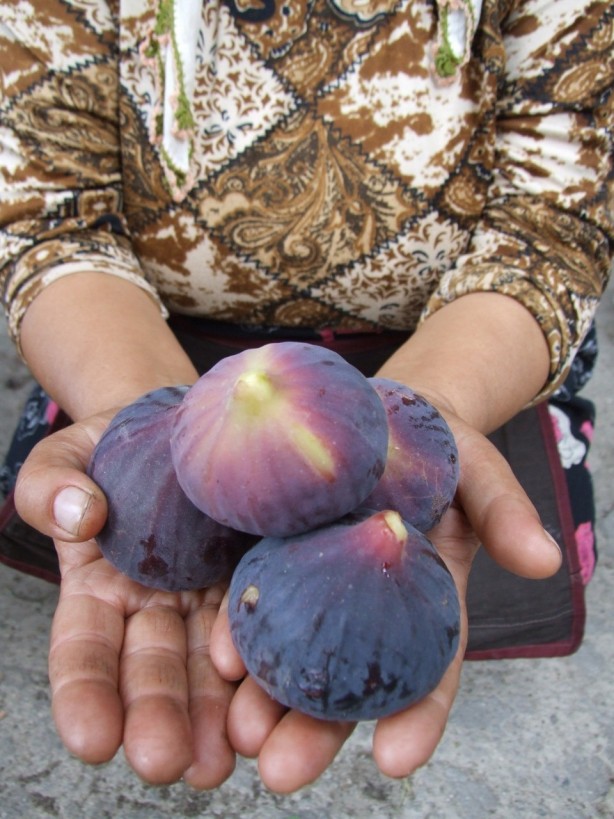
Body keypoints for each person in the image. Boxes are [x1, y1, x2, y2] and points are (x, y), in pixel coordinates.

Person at [0, 0, 611, 795]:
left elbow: (551, 233)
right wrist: (138, 402)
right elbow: (49, 221)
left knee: (452, 560)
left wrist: (434, 403)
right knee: (128, 517)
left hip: (455, 357)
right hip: (150, 348)